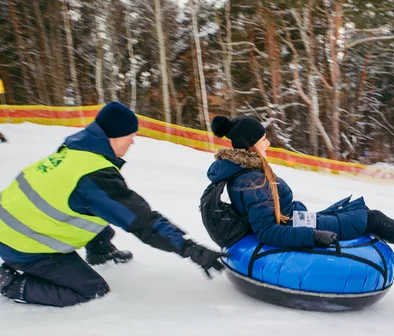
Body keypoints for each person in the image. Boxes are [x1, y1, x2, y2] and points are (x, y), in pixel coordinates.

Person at [0, 102, 226, 307]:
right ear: (116, 136)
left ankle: (99, 251)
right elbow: (140, 220)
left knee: (95, 208)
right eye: (131, 135)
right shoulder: (93, 176)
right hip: (23, 243)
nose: (133, 141)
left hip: (13, 222)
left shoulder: (77, 149)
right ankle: (9, 283)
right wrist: (189, 248)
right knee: (91, 290)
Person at [206, 115, 394, 264]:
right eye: (264, 139)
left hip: (296, 219)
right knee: (370, 218)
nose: (269, 143)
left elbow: (272, 212)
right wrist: (313, 236)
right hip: (295, 226)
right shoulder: (252, 180)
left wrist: (300, 215)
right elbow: (266, 230)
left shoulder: (247, 172)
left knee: (357, 211)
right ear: (251, 145)